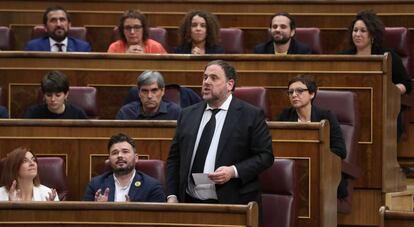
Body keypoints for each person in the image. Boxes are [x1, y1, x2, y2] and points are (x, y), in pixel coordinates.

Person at [166, 60, 274, 206]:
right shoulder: (187, 114)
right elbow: (174, 158)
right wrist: (172, 195)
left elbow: (265, 156)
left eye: (214, 78)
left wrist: (233, 171)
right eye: (205, 77)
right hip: (189, 203)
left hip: (231, 202)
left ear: (229, 84)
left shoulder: (250, 115)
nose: (206, 82)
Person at [340, 9, 412, 140]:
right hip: (351, 110)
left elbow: (407, 84)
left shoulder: (387, 57)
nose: (357, 34)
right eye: (355, 30)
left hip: (382, 111)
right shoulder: (343, 58)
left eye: (363, 31)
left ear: (372, 35)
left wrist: (391, 91)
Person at [277, 75, 348, 198]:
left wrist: (314, 156)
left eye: (299, 91)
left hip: (322, 172)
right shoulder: (284, 116)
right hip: (293, 172)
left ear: (312, 94)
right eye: (291, 92)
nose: (294, 95)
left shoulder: (326, 117)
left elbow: (340, 150)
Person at [84, 133, 166, 202]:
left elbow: (159, 218)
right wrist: (98, 209)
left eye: (125, 152)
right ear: (109, 159)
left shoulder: (151, 186)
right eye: (115, 153)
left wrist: (131, 213)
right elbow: (84, 216)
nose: (120, 156)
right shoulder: (95, 185)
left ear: (136, 158)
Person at [116, 70, 181, 120]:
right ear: (139, 93)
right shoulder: (126, 113)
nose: (149, 96)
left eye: (154, 90)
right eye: (145, 91)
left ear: (162, 91)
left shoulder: (175, 112)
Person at [24, 6, 91, 52]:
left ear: (69, 25)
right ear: (45, 27)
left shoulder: (82, 48)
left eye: (62, 20)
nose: (58, 24)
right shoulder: (33, 47)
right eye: (53, 20)